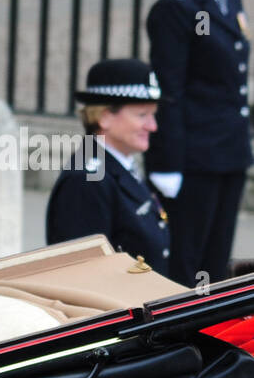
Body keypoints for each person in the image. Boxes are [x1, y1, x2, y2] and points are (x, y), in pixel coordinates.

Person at [146, 0, 253, 288]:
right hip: (194, 157)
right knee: (187, 260)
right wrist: (166, 163)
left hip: (228, 152)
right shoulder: (177, 8)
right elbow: (169, 91)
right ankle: (182, 341)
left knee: (216, 257)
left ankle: (212, 337)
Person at [46, 58, 170, 272]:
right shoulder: (88, 179)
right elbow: (84, 272)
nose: (153, 126)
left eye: (153, 115)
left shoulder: (119, 165)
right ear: (105, 117)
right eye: (142, 115)